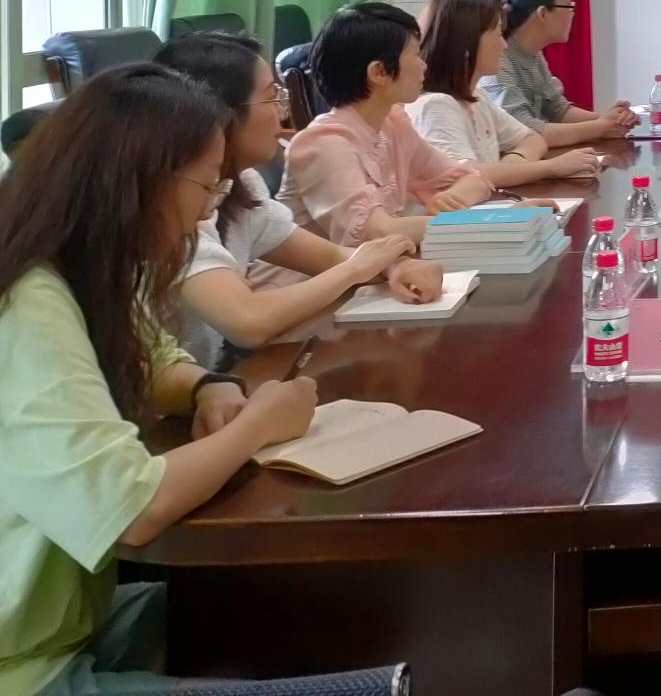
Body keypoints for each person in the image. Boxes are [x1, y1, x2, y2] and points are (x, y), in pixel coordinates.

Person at [0, 63, 398, 694]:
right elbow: (132, 508)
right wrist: (257, 424)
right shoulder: (27, 300)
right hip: (27, 665)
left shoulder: (82, 262)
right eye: (207, 188)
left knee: (336, 604)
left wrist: (206, 386)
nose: (205, 212)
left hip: (67, 618)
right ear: (142, 181)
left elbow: (152, 355)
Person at [156, 31, 446, 368]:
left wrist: (395, 267)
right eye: (271, 97)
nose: (282, 113)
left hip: (210, 377)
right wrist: (358, 268)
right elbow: (248, 322)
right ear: (218, 114)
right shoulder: (173, 204)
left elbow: (330, 256)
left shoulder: (241, 184)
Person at [278, 2, 491, 246]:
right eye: (416, 54)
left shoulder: (392, 124)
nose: (424, 65)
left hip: (384, 266)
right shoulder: (324, 144)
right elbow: (377, 233)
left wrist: (450, 200)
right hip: (328, 271)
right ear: (379, 72)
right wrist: (468, 222)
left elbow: (475, 180)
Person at [410, 0, 607, 189]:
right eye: (497, 35)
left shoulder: (476, 98)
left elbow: (533, 139)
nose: (504, 45)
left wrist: (509, 169)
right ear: (467, 45)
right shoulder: (436, 105)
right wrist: (551, 167)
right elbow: (466, 176)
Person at [484, 0, 636, 143]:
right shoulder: (498, 61)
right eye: (567, 4)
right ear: (542, 13)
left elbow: (558, 110)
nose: (572, 12)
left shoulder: (534, 54)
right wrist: (599, 127)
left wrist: (609, 119)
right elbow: (523, 132)